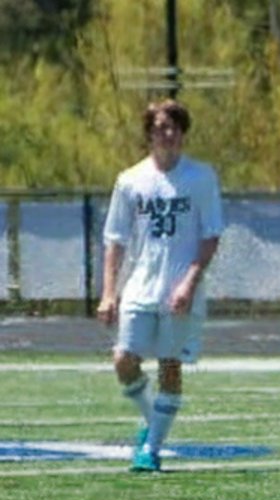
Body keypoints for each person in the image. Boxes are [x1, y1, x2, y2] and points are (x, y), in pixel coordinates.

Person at [97, 98, 223, 474]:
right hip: (140, 286)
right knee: (123, 359)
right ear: (148, 133)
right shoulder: (130, 180)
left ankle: (150, 449)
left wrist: (189, 283)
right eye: (159, 128)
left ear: (183, 133)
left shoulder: (201, 178)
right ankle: (153, 422)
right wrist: (109, 292)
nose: (166, 134)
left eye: (173, 127)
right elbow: (115, 240)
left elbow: (211, 235)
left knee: (170, 365)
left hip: (180, 289)